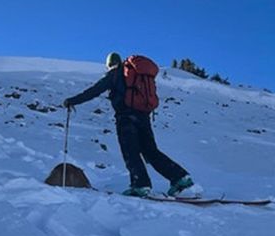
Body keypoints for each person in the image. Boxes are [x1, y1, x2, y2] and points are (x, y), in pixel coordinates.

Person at [62, 52, 194, 197]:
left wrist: (72, 101)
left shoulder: (114, 74)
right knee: (151, 151)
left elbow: (94, 90)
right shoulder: (137, 74)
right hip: (144, 117)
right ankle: (180, 177)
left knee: (130, 152)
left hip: (126, 118)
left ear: (110, 64)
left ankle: (140, 185)